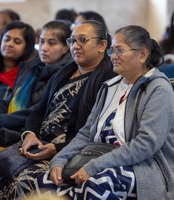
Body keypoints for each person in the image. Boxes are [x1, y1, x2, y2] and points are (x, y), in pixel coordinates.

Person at [0, 20, 117, 200]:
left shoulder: (109, 80)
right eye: (72, 41)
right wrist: (29, 135)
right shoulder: (64, 73)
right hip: (37, 145)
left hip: (69, 151)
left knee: (24, 182)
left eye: (83, 40)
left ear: (102, 45)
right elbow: (37, 112)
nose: (76, 46)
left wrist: (56, 149)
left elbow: (95, 130)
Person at [32, 25, 174, 200]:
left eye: (120, 50)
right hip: (98, 157)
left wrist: (94, 167)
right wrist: (59, 160)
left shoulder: (158, 89)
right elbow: (85, 133)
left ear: (142, 55)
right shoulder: (110, 86)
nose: (113, 57)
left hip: (143, 166)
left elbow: (145, 145)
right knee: (46, 181)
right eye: (112, 51)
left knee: (94, 185)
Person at [0, 20, 73, 148]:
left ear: (66, 47)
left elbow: (38, 111)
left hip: (31, 132)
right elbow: (10, 100)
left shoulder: (65, 75)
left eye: (52, 43)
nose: (44, 48)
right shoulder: (31, 67)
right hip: (9, 125)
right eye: (42, 41)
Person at [0, 21, 35, 103]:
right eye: (6, 39)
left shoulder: (28, 76)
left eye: (17, 41)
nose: (9, 44)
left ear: (27, 47)